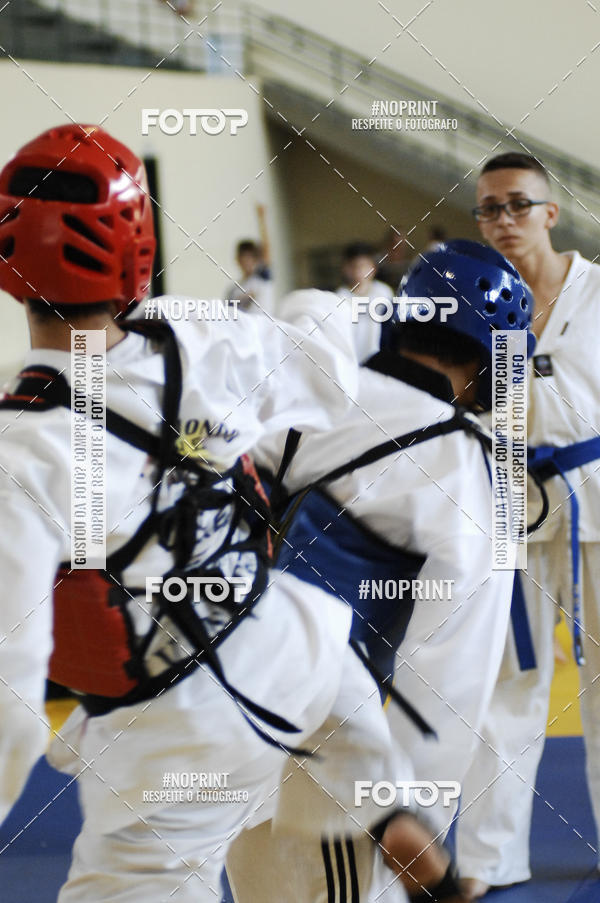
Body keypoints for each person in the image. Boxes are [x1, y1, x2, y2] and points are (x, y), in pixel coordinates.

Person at [0, 123, 445, 903]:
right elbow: (327, 369)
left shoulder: (23, 448)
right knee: (315, 850)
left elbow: (13, 671)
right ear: (138, 246)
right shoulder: (203, 336)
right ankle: (379, 805)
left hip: (183, 724)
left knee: (140, 877)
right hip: (301, 654)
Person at [226, 240, 535, 903]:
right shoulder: (464, 467)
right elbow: (448, 673)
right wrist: (412, 815)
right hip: (329, 758)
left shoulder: (311, 391)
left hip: (221, 712)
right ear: (492, 361)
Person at [456, 152, 600, 899]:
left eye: (517, 204)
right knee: (509, 682)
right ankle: (488, 856)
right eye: (489, 208)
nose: (504, 219)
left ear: (550, 211)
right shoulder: (476, 300)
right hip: (514, 503)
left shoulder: (597, 290)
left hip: (597, 496)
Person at [337, 241, 394, 362]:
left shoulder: (384, 292)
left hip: (380, 360)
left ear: (373, 268)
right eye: (354, 266)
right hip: (352, 361)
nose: (359, 271)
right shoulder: (340, 297)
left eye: (364, 266)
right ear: (345, 269)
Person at [223, 205, 274, 315]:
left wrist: (262, 219)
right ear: (238, 260)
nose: (246, 263)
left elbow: (266, 250)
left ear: (256, 259)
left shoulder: (261, 277)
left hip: (264, 324)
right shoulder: (233, 291)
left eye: (250, 258)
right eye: (243, 259)